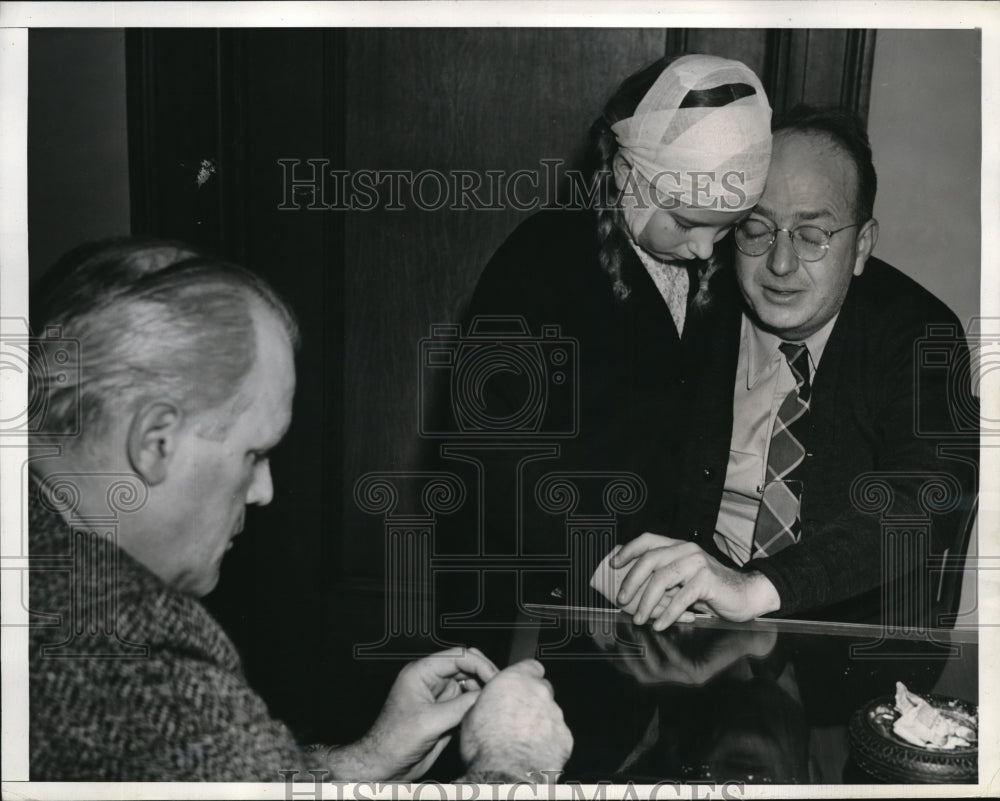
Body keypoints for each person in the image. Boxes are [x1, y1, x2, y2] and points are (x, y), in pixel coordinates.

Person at [26, 239, 572, 781]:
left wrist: (368, 759)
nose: (264, 490)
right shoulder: (130, 662)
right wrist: (514, 761)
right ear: (155, 441)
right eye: (254, 454)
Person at [611, 107, 977, 628]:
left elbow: (923, 499)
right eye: (757, 228)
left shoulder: (919, 334)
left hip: (845, 637)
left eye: (811, 236)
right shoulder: (692, 305)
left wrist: (757, 588)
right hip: (690, 631)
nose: (779, 264)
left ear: (861, 246)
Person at [451, 54, 772, 564]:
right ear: (626, 174)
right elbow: (490, 456)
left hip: (661, 576)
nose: (707, 250)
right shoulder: (535, 266)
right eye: (686, 223)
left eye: (727, 227)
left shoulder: (713, 267)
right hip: (544, 571)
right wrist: (600, 564)